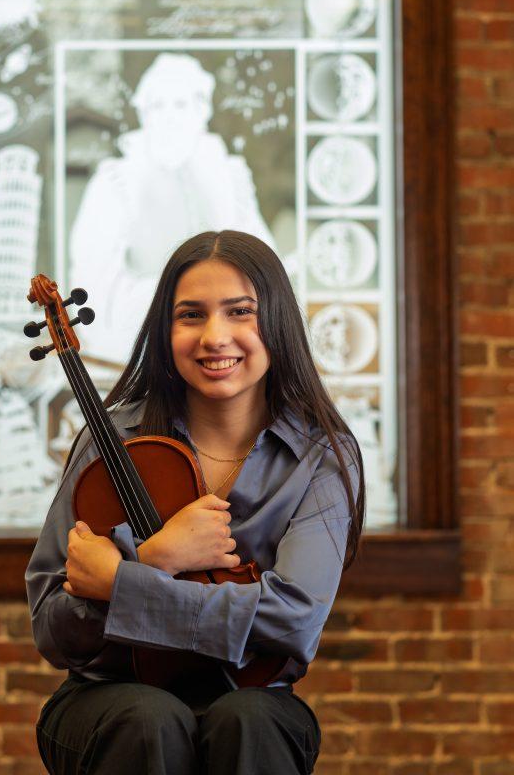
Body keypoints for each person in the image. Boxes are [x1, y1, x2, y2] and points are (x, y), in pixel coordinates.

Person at [26, 230, 365, 775]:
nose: (215, 336)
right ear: (165, 332)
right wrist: (156, 557)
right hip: (108, 699)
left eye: (240, 312)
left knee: (250, 719)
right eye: (190, 315)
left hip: (254, 698)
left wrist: (123, 581)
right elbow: (52, 629)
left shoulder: (321, 455)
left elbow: (294, 623)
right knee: (148, 718)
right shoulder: (109, 440)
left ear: (277, 321)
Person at [69, 53, 278, 363]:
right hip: (142, 334)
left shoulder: (229, 175)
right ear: (144, 114)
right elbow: (92, 277)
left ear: (201, 112)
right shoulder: (115, 180)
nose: (169, 117)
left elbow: (264, 262)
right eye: (158, 105)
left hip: (226, 341)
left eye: (180, 105)